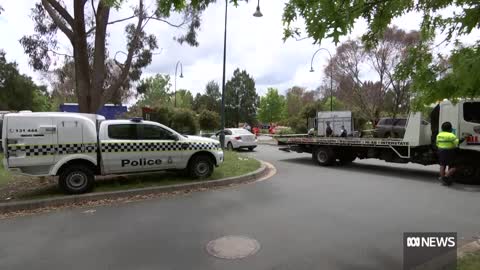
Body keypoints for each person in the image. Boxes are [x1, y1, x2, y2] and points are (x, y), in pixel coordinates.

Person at [436, 122, 460, 186]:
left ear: (442, 128)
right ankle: (446, 176)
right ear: (450, 129)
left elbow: (437, 143)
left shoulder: (439, 135)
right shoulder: (451, 135)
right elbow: (456, 143)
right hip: (449, 151)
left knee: (442, 165)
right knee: (454, 166)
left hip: (440, 151)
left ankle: (442, 178)